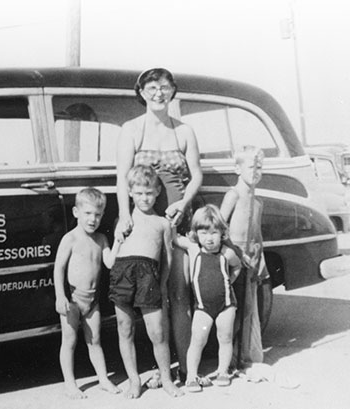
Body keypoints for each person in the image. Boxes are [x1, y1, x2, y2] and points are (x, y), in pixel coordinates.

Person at [115, 67, 203, 383]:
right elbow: (122, 178)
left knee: (179, 294)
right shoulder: (132, 129)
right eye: (151, 87)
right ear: (141, 92)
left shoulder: (184, 131)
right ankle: (158, 370)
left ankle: (184, 368)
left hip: (179, 222)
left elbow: (197, 175)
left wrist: (182, 202)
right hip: (144, 226)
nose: (158, 93)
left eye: (164, 87)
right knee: (152, 297)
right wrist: (125, 216)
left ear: (172, 91)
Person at [109, 165, 184, 399]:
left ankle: (167, 378)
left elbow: (168, 260)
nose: (145, 198)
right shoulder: (123, 220)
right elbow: (114, 250)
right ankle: (134, 380)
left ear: (158, 192)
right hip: (122, 271)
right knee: (125, 328)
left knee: (157, 332)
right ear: (130, 192)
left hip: (149, 273)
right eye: (139, 193)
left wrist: (161, 285)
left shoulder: (162, 223)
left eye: (149, 193)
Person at [53, 187, 122, 399]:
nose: (93, 219)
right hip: (73, 299)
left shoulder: (101, 239)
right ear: (76, 212)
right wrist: (60, 296)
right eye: (88, 214)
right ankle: (70, 383)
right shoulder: (70, 238)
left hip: (92, 301)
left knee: (95, 341)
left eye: (98, 215)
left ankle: (103, 379)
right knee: (69, 341)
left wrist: (118, 240)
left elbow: (109, 262)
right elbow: (59, 268)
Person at [173, 204, 242, 392]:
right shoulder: (194, 249)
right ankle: (192, 375)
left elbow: (237, 266)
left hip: (226, 305)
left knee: (225, 337)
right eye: (203, 233)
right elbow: (174, 237)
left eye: (214, 233)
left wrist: (230, 279)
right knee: (197, 340)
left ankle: (222, 371)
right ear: (195, 233)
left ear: (222, 233)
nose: (209, 238)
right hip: (202, 307)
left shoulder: (227, 253)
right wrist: (173, 217)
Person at [220, 145, 269, 369]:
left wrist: (261, 261)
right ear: (237, 169)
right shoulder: (234, 195)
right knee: (232, 311)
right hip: (234, 259)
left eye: (259, 167)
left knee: (249, 310)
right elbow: (219, 228)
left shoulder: (258, 202)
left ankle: (244, 356)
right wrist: (234, 255)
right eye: (251, 166)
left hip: (252, 260)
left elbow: (257, 233)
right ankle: (229, 359)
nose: (255, 171)